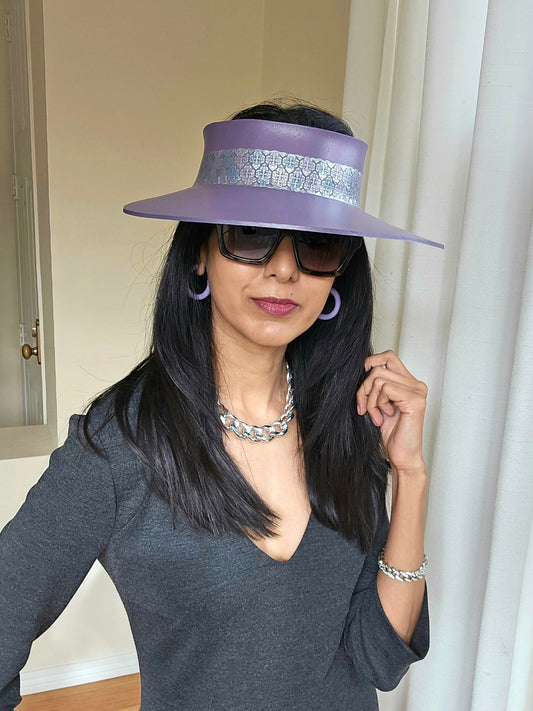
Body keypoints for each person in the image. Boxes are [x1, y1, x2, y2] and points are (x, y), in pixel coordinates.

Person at [0, 101, 442, 710]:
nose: (285, 268)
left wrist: (411, 477)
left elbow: (379, 657)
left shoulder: (349, 425)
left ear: (337, 274)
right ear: (199, 253)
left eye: (317, 245)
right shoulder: (119, 449)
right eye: (252, 236)